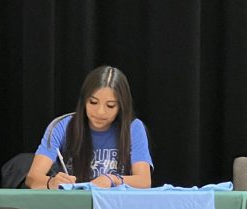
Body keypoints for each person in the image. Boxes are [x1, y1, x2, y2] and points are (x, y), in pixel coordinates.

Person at [25, 65, 153, 190]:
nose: (100, 112)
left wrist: (112, 179)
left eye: (110, 105)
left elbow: (143, 181)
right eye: (93, 102)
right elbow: (32, 179)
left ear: (121, 107)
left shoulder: (133, 128)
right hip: (74, 204)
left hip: (116, 206)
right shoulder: (62, 126)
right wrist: (51, 182)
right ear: (84, 101)